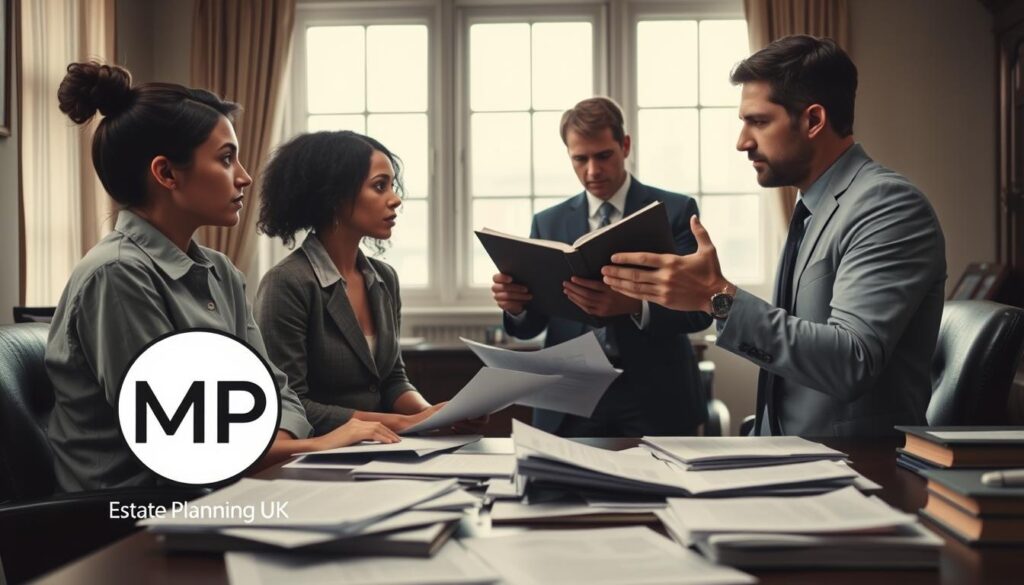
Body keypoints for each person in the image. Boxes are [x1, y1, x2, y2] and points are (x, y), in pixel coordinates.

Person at [46, 62, 398, 492]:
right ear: (166, 173)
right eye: (226, 158)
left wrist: (278, 449)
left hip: (225, 490)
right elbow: (184, 441)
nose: (245, 176)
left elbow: (277, 391)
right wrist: (319, 446)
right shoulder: (117, 276)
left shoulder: (221, 272)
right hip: (136, 517)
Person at [602, 36, 947, 437]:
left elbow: (851, 361)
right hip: (787, 458)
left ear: (814, 121)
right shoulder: (810, 208)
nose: (742, 142)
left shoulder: (887, 206)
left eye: (759, 122)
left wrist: (715, 298)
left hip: (854, 471)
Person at [491, 97, 713, 437]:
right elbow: (528, 327)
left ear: (624, 145)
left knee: (657, 491)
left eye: (603, 156)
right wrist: (515, 306)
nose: (592, 171)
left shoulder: (676, 210)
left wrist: (634, 306)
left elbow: (700, 310)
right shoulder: (547, 223)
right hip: (569, 395)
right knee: (558, 490)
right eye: (580, 159)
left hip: (655, 395)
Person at [254, 131, 448, 436]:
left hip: (380, 446)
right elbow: (290, 403)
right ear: (334, 196)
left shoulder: (384, 278)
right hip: (318, 455)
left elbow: (393, 380)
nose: (396, 199)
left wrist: (435, 414)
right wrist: (402, 423)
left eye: (392, 186)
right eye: (380, 186)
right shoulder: (286, 283)